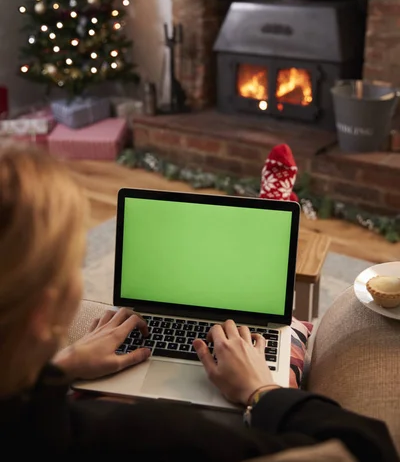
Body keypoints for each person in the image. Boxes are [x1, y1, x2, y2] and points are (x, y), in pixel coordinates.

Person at [0, 144, 397, 461]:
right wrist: (261, 389)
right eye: (73, 260)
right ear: (41, 315)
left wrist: (63, 368)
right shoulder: (146, 435)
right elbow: (366, 447)